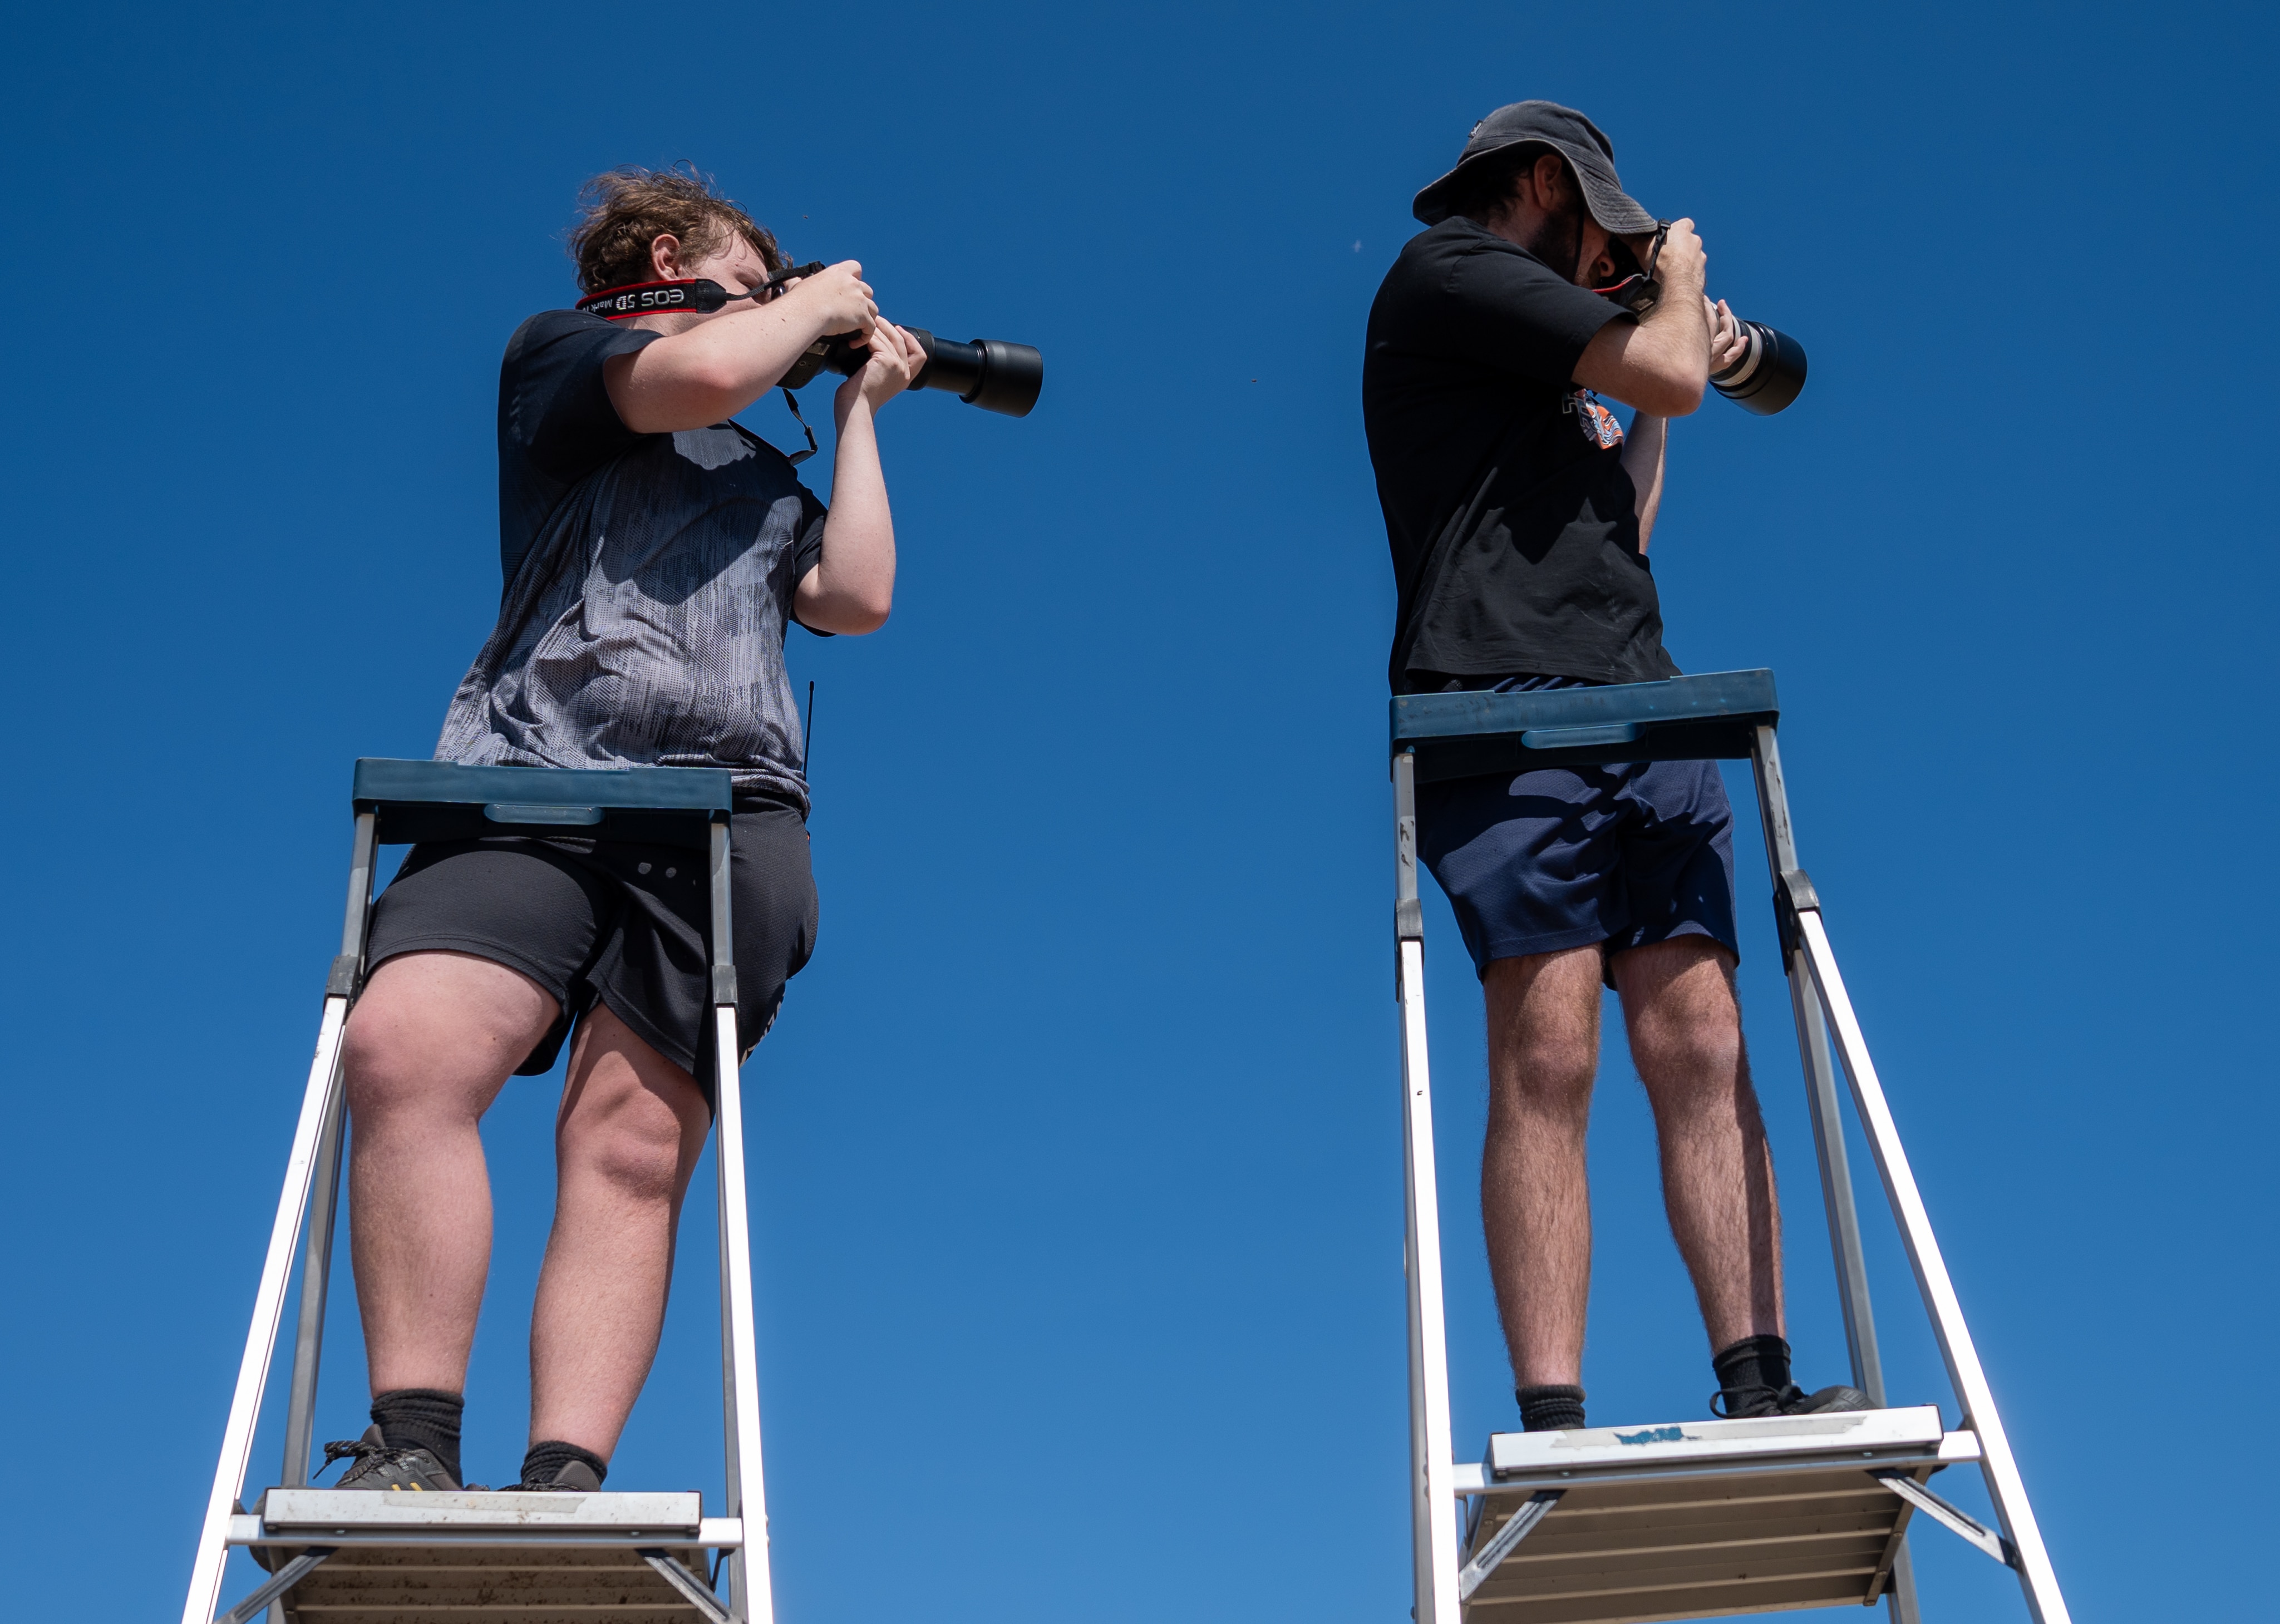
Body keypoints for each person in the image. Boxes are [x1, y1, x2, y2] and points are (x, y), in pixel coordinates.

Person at [323, 166, 926, 1493]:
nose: (784, 309)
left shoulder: (764, 475)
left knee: (631, 1138)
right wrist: (818, 297)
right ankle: (411, 1441)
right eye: (757, 285)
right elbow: (695, 377)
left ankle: (564, 1477)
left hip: (723, 812)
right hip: (529, 786)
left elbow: (857, 593)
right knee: (403, 1039)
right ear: (665, 259)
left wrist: (863, 407)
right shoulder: (566, 360)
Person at [1361, 102, 1867, 1433]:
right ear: (1542, 184)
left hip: (1638, 698)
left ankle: (1760, 1380)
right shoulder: (1450, 274)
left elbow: (1627, 511)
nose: (1619, 258)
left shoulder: (1572, 360)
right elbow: (1679, 368)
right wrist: (1681, 285)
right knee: (1549, 1052)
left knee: (1702, 1034)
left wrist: (1654, 388)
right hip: (1496, 705)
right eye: (1607, 227)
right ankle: (1555, 1416)